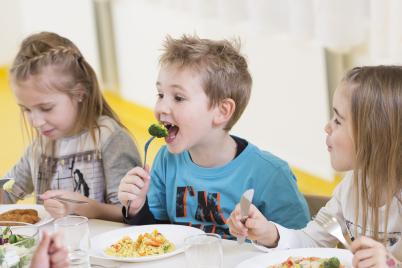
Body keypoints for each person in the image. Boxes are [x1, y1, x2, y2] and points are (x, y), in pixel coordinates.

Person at [118, 35, 309, 238]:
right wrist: (137, 208)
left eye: (179, 98)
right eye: (160, 95)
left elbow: (303, 247)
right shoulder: (166, 161)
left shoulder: (271, 175)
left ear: (222, 111)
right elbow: (157, 238)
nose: (162, 108)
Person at [227, 66, 402, 266]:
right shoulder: (350, 188)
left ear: (375, 136)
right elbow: (313, 241)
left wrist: (390, 264)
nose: (327, 127)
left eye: (338, 120)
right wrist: (269, 233)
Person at [0, 32, 141, 221]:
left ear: (79, 93)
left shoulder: (110, 139)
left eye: (46, 108)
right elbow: (7, 190)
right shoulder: (40, 146)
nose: (35, 122)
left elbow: (130, 215)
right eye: (26, 109)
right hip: (56, 249)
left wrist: (83, 207)